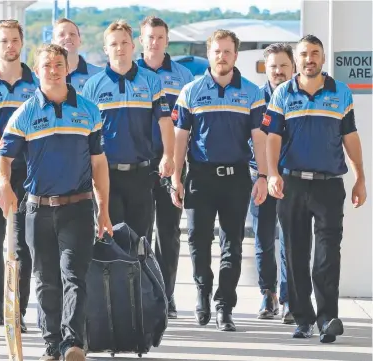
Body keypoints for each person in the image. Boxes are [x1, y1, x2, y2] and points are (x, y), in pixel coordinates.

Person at [0, 43, 111, 361]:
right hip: (37, 209)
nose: (54, 69)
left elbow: (99, 164)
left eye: (59, 64)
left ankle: (73, 344)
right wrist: (4, 185)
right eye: (47, 65)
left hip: (78, 206)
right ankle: (51, 345)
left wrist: (104, 211)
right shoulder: (25, 113)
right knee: (46, 281)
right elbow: (1, 161)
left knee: (73, 275)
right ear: (38, 70)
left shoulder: (88, 111)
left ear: (67, 68)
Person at [264, 34, 367, 343]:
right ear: (297, 59)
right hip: (291, 184)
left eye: (315, 53)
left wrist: (360, 177)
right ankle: (303, 318)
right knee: (295, 253)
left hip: (329, 186)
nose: (310, 59)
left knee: (326, 255)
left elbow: (351, 137)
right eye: (304, 54)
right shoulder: (282, 93)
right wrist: (271, 174)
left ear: (323, 58)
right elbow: (272, 137)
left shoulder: (341, 93)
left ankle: (327, 319)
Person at [171, 29, 268, 332]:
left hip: (236, 178)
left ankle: (224, 305)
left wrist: (263, 175)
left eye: (227, 52)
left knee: (233, 245)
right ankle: (203, 290)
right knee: (198, 241)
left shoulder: (251, 93)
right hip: (200, 177)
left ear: (235, 55)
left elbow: (259, 139)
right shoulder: (191, 91)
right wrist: (176, 176)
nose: (222, 57)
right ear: (208, 53)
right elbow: (179, 140)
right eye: (217, 51)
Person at [82, 20, 174, 240]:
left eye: (125, 42)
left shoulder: (151, 80)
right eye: (114, 44)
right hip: (106, 175)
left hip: (141, 173)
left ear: (133, 46)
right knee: (110, 242)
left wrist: (168, 155)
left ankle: (139, 277)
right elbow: (84, 132)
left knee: (140, 243)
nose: (120, 48)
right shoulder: (93, 85)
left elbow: (165, 122)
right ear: (106, 49)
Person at [0, 20, 37, 331]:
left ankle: (19, 309)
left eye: (14, 40)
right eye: (4, 41)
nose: (10, 46)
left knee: (22, 244)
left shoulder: (37, 83)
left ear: (21, 43)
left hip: (27, 174)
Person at [136, 15, 194, 319]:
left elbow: (188, 123)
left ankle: (166, 295)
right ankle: (143, 293)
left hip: (173, 165)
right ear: (141, 40)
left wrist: (179, 164)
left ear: (166, 40)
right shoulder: (132, 73)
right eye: (149, 37)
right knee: (141, 233)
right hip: (140, 165)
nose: (154, 42)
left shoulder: (183, 76)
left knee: (169, 233)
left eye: (160, 36)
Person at [251, 43, 294, 323]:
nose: (277, 71)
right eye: (273, 66)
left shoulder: (301, 97)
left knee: (290, 240)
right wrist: (263, 176)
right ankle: (269, 294)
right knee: (263, 239)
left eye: (283, 66)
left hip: (292, 178)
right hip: (260, 179)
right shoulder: (255, 99)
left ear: (293, 67)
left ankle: (290, 297)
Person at [51, 18, 102, 93]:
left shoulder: (99, 74)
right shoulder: (45, 76)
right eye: (61, 35)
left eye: (72, 34)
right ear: (53, 42)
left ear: (79, 40)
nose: (68, 37)